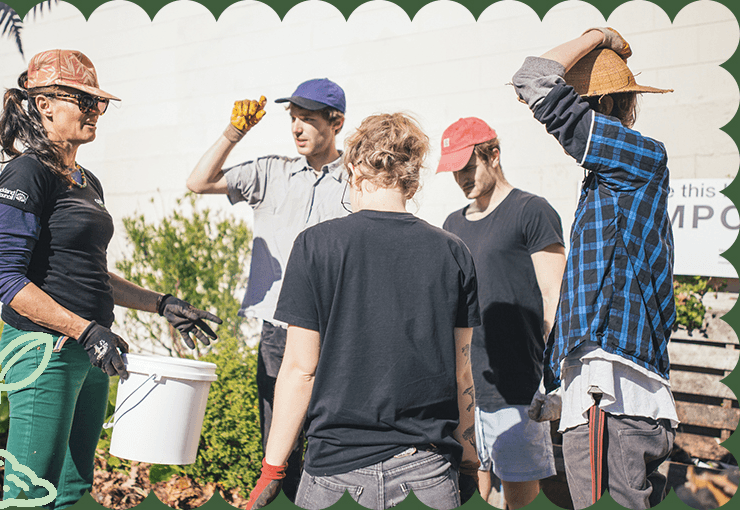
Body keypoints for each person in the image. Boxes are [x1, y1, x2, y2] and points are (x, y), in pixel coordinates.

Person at [0, 49, 221, 509]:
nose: (95, 111)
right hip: (43, 351)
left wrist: (162, 303)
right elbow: (4, 277)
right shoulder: (26, 173)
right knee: (30, 492)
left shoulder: (84, 179)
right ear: (44, 104)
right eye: (83, 100)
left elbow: (88, 270)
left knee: (73, 489)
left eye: (99, 102)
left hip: (89, 350)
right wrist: (84, 329)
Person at [244, 112, 482, 510]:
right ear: (413, 175)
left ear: (353, 168)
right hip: (426, 472)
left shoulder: (315, 246)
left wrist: (273, 468)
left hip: (334, 474)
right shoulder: (453, 252)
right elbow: (462, 373)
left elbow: (300, 369)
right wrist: (471, 463)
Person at [512, 28, 678, 509]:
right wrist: (562, 386)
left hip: (615, 400)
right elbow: (600, 289)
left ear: (600, 106)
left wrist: (599, 35)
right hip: (603, 396)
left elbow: (533, 78)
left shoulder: (637, 157)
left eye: (580, 106)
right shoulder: (611, 180)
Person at [186, 78, 348, 500]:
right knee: (279, 446)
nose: (296, 128)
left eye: (308, 120)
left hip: (338, 331)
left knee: (331, 440)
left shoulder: (356, 180)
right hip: (280, 330)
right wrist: (234, 132)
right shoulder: (270, 172)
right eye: (293, 119)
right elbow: (198, 182)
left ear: (336, 123)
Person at [437, 117, 565, 509]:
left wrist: (547, 373)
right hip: (466, 389)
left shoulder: (532, 211)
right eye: (454, 170)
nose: (461, 177)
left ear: (493, 154)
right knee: (474, 497)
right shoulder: (451, 225)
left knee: (520, 500)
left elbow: (553, 295)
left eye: (468, 166)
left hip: (516, 387)